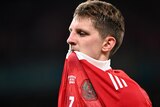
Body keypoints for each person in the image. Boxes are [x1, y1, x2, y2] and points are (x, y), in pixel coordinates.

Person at [58, 0, 152, 107]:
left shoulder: (130, 95)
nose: (69, 40)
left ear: (107, 44)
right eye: (71, 32)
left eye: (82, 33)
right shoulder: (70, 76)